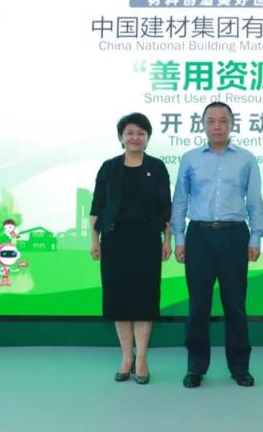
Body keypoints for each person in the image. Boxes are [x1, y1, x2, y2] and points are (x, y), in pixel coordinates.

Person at [171, 101, 263, 388]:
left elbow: (254, 201)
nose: (217, 126)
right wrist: (179, 238)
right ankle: (195, 367)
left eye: (223, 121)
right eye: (211, 121)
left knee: (235, 304)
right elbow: (180, 200)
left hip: (234, 235)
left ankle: (240, 367)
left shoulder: (246, 159)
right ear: (203, 125)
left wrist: (255, 237)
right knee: (198, 305)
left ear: (232, 124)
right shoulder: (190, 159)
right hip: (199, 236)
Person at [90, 112, 172, 385]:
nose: (135, 137)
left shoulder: (157, 167)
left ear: (147, 138)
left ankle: (142, 359)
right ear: (121, 137)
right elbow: (97, 207)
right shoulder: (109, 167)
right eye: (130, 133)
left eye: (141, 133)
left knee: (144, 301)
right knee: (119, 301)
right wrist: (94, 240)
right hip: (115, 241)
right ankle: (126, 357)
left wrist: (167, 240)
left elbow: (166, 208)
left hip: (147, 242)